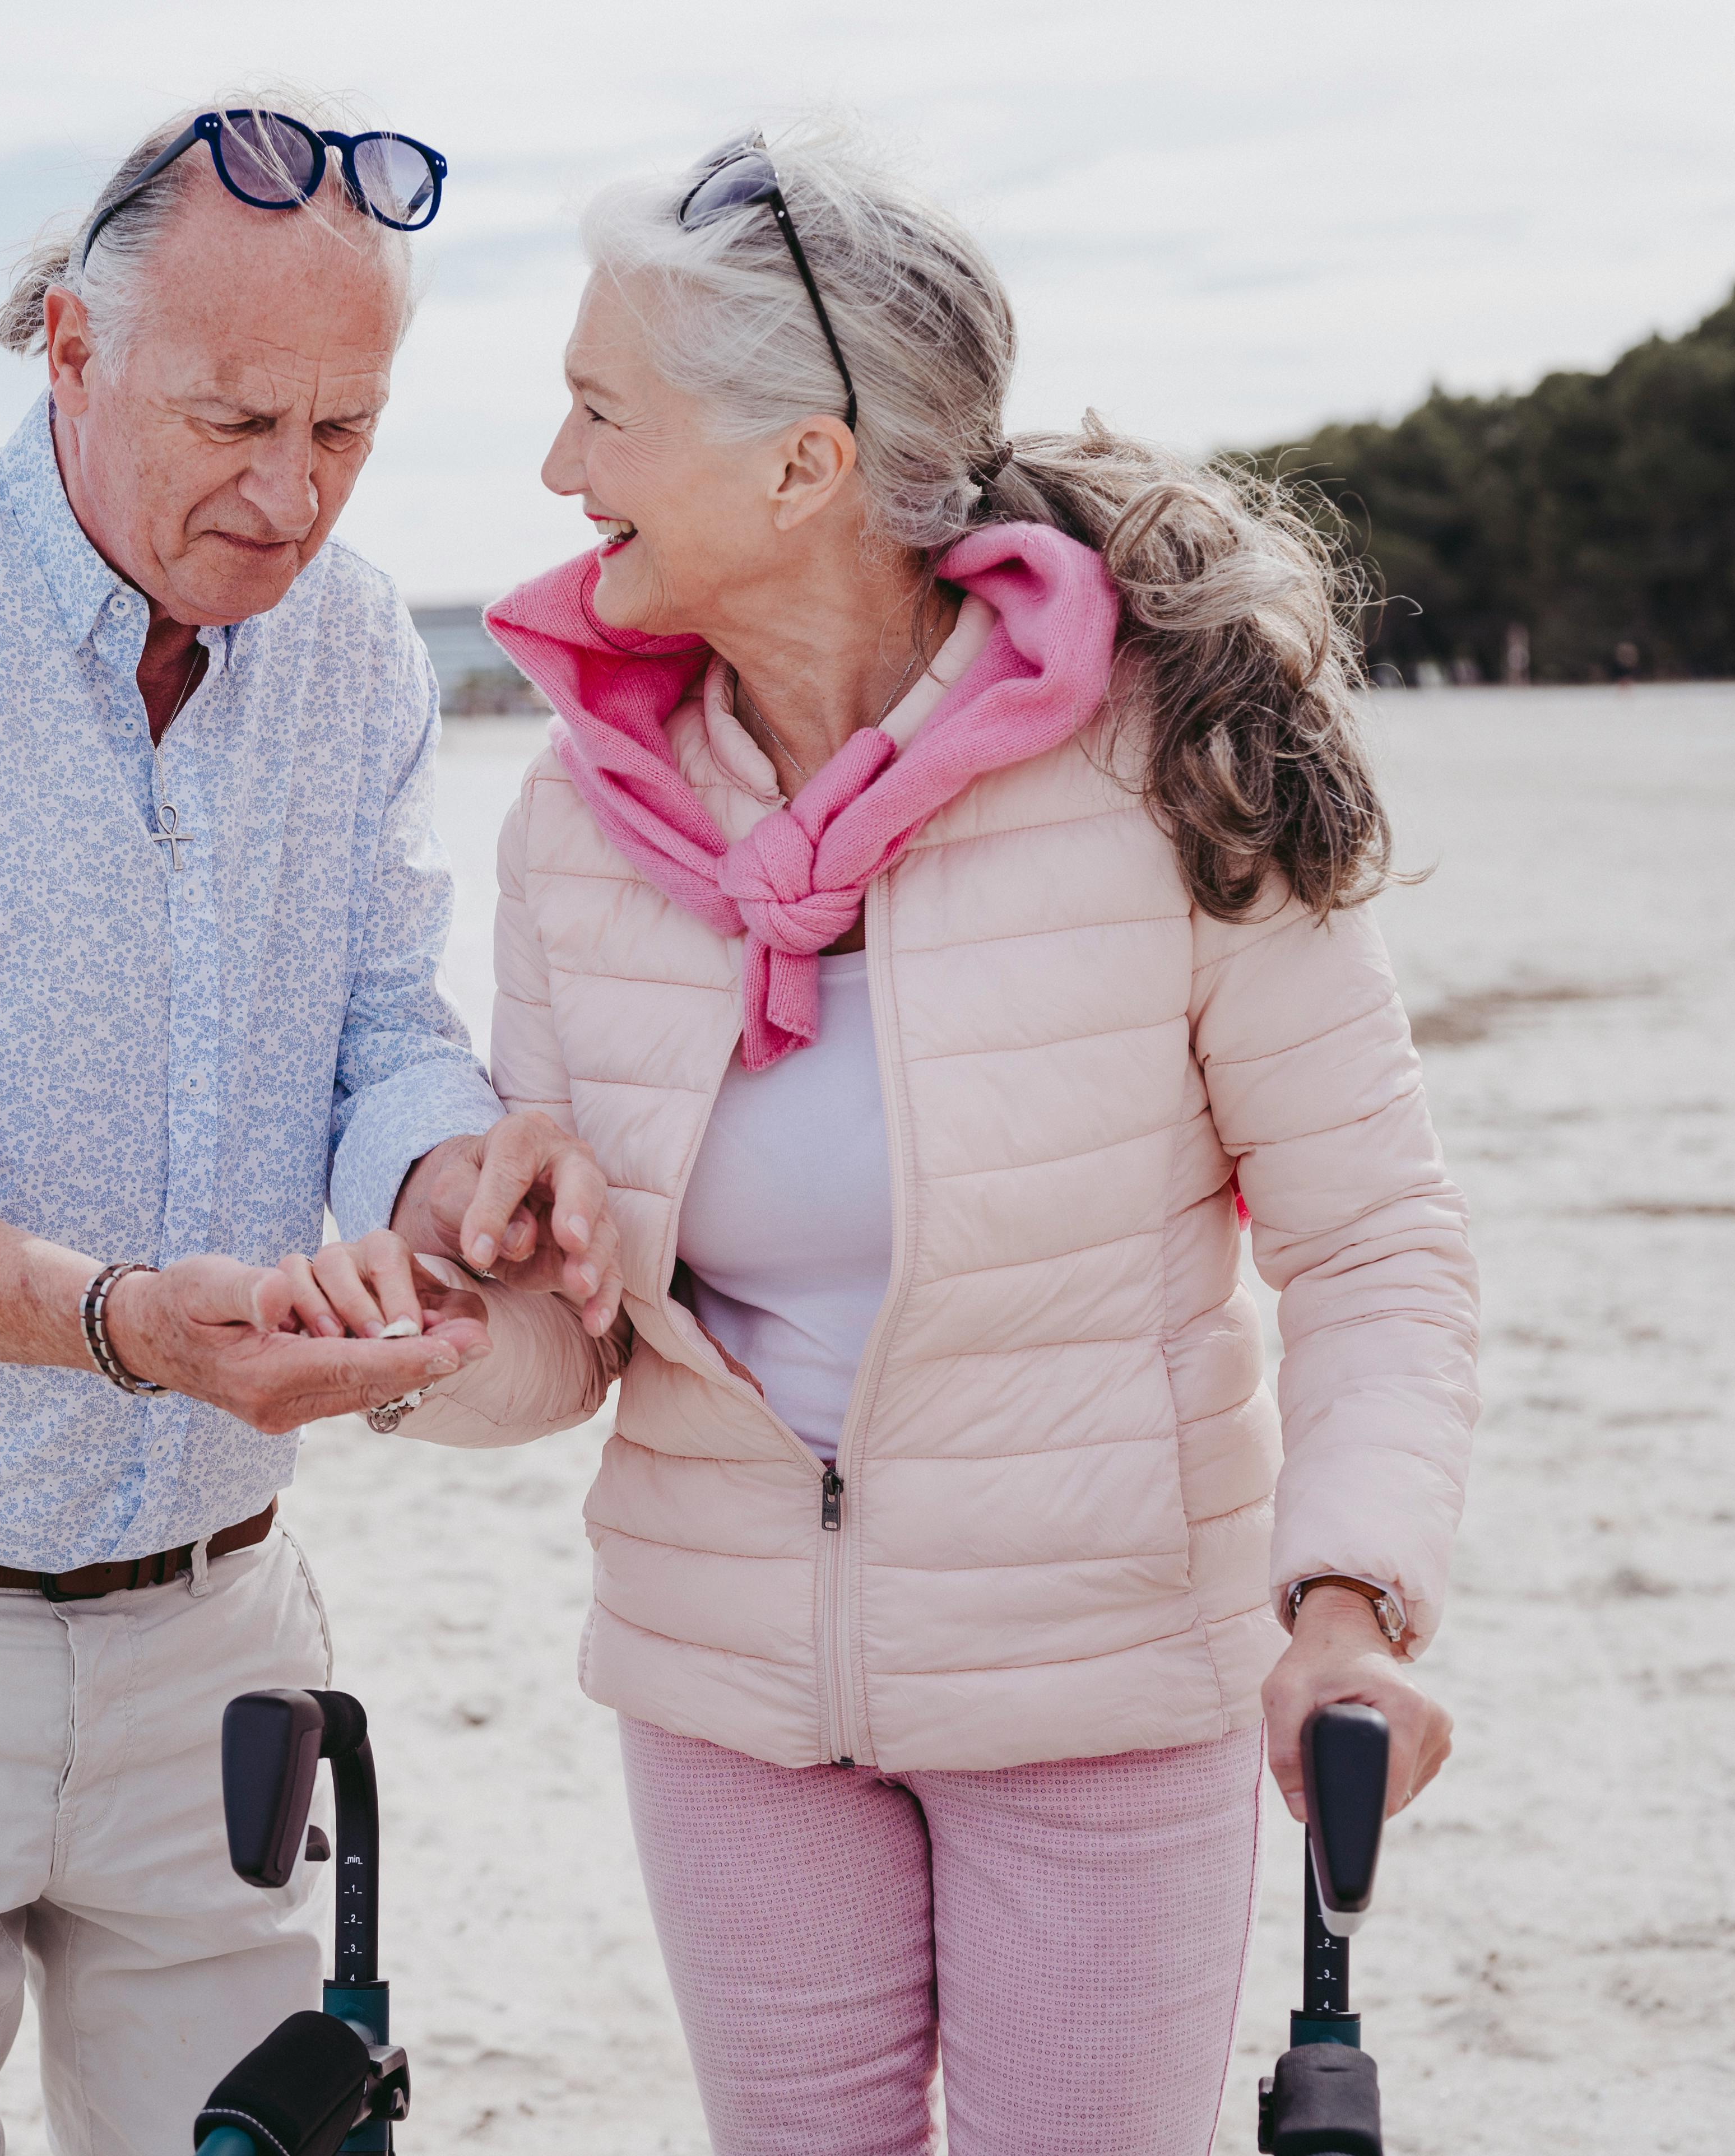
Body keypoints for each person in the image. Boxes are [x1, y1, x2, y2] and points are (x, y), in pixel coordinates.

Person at [318, 118, 1479, 2153]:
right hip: (728, 1696)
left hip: (1100, 1688)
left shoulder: (1171, 764)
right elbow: (569, 1340)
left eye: (601, 410)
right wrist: (417, 1335)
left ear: (803, 465)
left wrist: (1347, 1608)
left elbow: (1373, 1242)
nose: (557, 471)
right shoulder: (577, 825)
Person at [0, 93, 621, 2156]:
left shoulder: (356, 649)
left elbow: (375, 1033)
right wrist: (121, 1323)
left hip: (217, 1640)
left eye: (344, 430)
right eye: (235, 420)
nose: (291, 496)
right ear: (70, 347)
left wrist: (465, 1181)